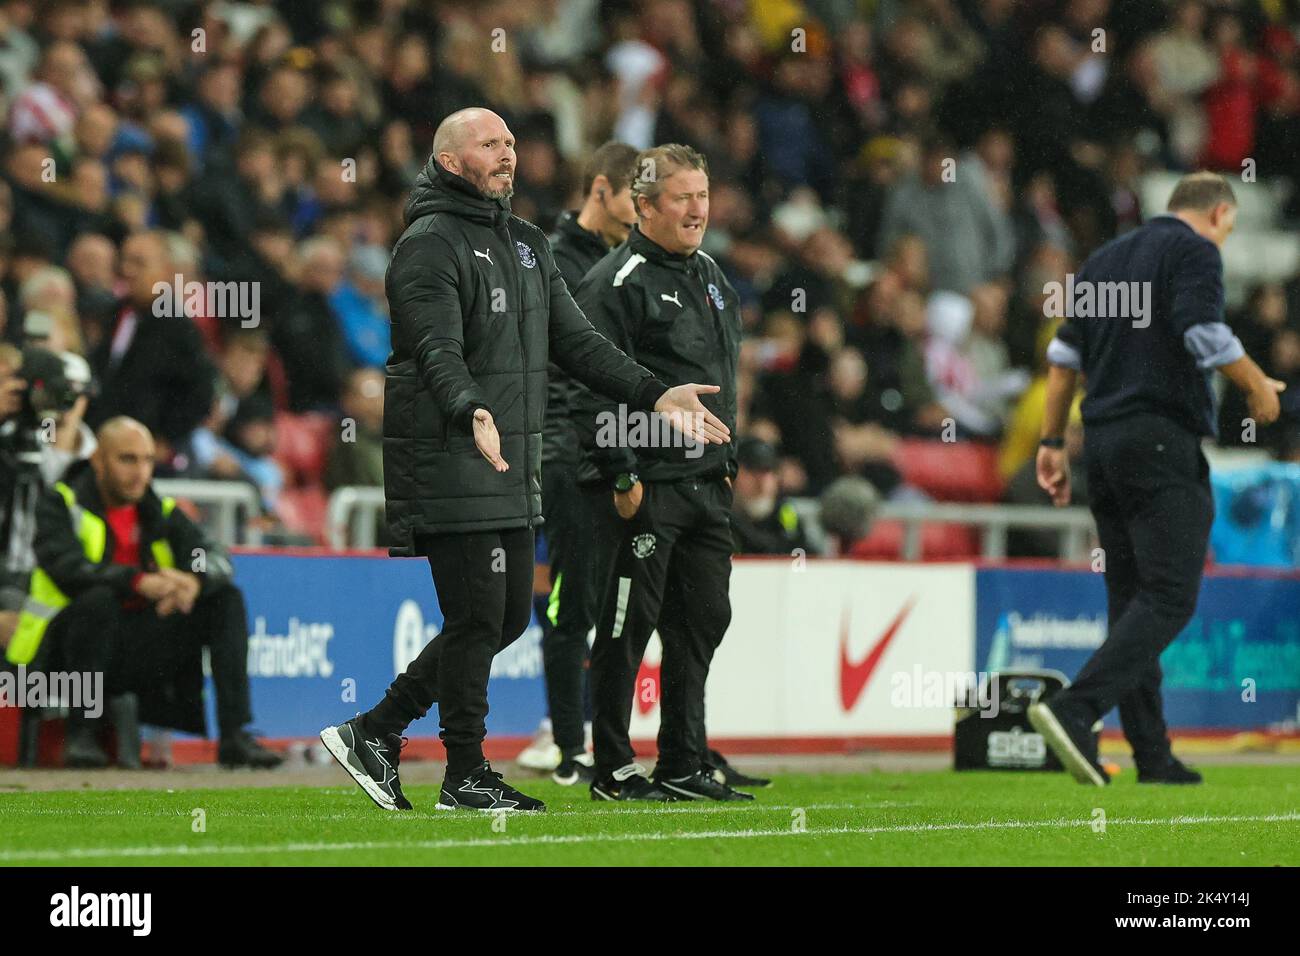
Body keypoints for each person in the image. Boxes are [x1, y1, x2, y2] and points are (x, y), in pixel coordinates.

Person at [319, 109, 728, 813]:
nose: (508, 155)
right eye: (490, 145)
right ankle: (464, 773)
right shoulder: (427, 245)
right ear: (450, 161)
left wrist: (656, 393)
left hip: (508, 459)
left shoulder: (529, 246)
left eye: (511, 144)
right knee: (480, 615)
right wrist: (469, 408)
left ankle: (376, 730)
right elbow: (433, 348)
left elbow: (581, 344)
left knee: (505, 620)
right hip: (450, 452)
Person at [1029, 172, 1284, 786]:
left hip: (1104, 446)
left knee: (1133, 600)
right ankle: (1076, 708)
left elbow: (1063, 362)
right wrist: (1257, 385)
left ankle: (1152, 753)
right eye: (1231, 224)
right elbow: (1204, 333)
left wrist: (1051, 442)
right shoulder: (1193, 251)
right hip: (1161, 439)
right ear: (1220, 214)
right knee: (1171, 595)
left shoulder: (1100, 263)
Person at [573, 143, 748, 802]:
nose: (697, 209)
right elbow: (591, 386)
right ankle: (612, 766)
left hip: (707, 484)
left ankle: (683, 761)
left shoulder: (710, 273)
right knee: (627, 624)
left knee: (703, 619)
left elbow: (723, 378)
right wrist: (622, 474)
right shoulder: (616, 284)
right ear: (644, 205)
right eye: (682, 197)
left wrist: (727, 462)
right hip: (646, 483)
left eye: (703, 196)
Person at [6, 416, 281, 770]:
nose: (140, 472)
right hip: (58, 658)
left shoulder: (159, 510)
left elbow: (216, 558)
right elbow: (68, 568)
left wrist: (193, 582)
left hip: (132, 650)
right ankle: (82, 734)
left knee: (224, 599)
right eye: (127, 460)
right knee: (97, 601)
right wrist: (138, 582)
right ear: (98, 461)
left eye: (148, 460)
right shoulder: (60, 503)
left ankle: (234, 736)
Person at [515, 140, 640, 784]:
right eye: (630, 201)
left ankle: (597, 738)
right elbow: (573, 378)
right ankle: (570, 747)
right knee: (571, 605)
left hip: (612, 446)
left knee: (610, 605)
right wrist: (612, 462)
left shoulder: (621, 260)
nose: (636, 215)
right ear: (599, 189)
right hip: (570, 449)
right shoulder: (556, 260)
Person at [730, 436, 808, 555]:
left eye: (768, 472)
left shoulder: (785, 511)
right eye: (752, 472)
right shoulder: (722, 513)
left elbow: (795, 547)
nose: (761, 481)